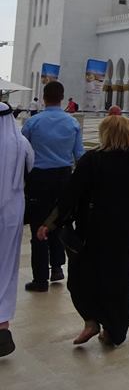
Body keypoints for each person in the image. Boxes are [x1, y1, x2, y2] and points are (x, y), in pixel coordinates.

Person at [37, 115, 129, 346]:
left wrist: (50, 223)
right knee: (118, 277)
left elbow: (70, 195)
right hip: (122, 232)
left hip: (93, 229)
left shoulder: (92, 160)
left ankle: (91, 320)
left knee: (82, 276)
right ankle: (114, 330)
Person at [20, 81, 84, 292]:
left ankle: (40, 279)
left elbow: (24, 152)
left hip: (39, 179)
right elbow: (79, 155)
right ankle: (57, 267)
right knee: (59, 221)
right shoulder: (72, 123)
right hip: (64, 178)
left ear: (44, 97)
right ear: (62, 98)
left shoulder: (33, 123)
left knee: (39, 225)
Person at [0, 102, 35, 357]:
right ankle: (2, 327)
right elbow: (31, 168)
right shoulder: (20, 142)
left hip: (11, 211)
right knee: (6, 266)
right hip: (11, 212)